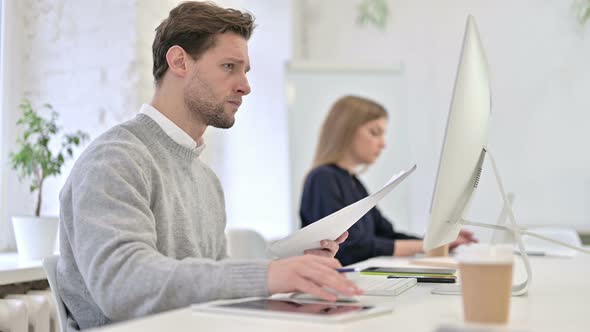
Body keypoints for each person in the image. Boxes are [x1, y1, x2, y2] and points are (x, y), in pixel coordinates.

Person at [57, 2, 361, 330]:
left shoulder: (205, 178)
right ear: (179, 61)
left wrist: (291, 270)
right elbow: (123, 285)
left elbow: (211, 283)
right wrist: (267, 275)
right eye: (229, 66)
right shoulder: (115, 158)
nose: (245, 85)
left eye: (245, 70)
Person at [299, 95, 477, 266]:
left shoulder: (353, 182)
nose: (383, 144)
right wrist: (428, 245)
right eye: (375, 132)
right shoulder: (323, 178)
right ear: (345, 131)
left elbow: (386, 233)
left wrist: (437, 241)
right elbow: (351, 247)